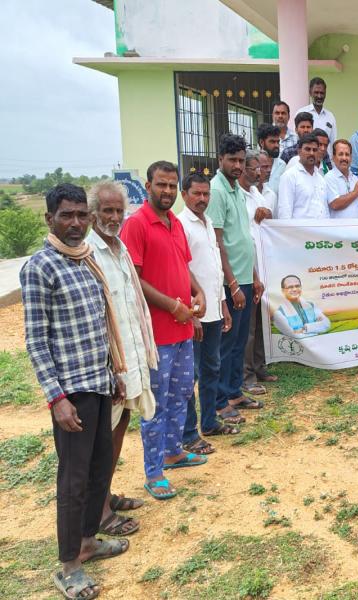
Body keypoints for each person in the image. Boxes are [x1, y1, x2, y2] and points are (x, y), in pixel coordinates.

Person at [22, 183, 130, 600]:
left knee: (100, 468)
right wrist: (57, 398)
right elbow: (37, 341)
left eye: (82, 215)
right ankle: (69, 566)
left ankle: (88, 541)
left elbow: (99, 323)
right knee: (74, 480)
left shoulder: (85, 259)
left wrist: (113, 371)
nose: (76, 223)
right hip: (72, 394)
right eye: (66, 215)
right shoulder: (40, 267)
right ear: (49, 218)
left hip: (99, 383)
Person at [120, 161, 209, 500]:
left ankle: (173, 452)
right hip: (156, 336)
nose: (168, 191)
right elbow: (134, 278)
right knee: (155, 405)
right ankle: (154, 471)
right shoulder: (137, 224)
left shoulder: (175, 223)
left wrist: (198, 292)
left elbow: (183, 266)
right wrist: (173, 306)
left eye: (172, 185)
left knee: (182, 392)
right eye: (162, 184)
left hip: (183, 330)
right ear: (148, 186)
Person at [86, 180, 157, 536]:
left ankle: (106, 495)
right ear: (93, 214)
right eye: (107, 211)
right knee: (103, 436)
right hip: (107, 364)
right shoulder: (89, 252)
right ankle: (98, 511)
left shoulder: (120, 248)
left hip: (129, 355)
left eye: (119, 210)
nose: (114, 217)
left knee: (122, 422)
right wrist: (108, 365)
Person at [205, 135, 266, 427]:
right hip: (230, 282)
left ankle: (234, 392)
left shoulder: (237, 190)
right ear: (220, 160)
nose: (238, 165)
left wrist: (253, 277)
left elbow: (243, 237)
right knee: (226, 345)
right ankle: (221, 401)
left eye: (241, 160)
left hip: (245, 277)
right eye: (232, 160)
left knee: (239, 342)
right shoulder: (217, 191)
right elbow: (217, 242)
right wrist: (231, 284)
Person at [176, 173, 237, 455]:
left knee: (212, 367)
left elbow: (214, 269)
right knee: (190, 376)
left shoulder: (208, 222)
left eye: (206, 194)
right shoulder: (180, 225)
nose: (202, 199)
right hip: (195, 313)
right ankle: (189, 433)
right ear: (184, 194)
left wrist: (222, 303)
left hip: (214, 309)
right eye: (196, 194)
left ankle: (210, 422)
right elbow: (181, 271)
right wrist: (192, 313)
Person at [238, 150, 277, 396]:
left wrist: (267, 213)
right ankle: (246, 375)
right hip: (247, 267)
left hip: (263, 265)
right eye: (255, 168)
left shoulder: (255, 192)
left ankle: (260, 366)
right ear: (244, 170)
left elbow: (267, 219)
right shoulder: (237, 195)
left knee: (262, 320)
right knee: (249, 326)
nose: (260, 172)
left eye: (261, 168)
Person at [277, 133, 328, 219]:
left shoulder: (321, 179)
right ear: (299, 151)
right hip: (298, 228)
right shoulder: (289, 176)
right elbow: (284, 213)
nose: (311, 153)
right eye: (308, 149)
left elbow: (325, 210)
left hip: (321, 227)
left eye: (315, 150)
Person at [297, 77, 337, 156]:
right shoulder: (301, 113)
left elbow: (333, 142)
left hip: (325, 160)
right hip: (307, 159)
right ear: (310, 93)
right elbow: (297, 140)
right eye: (316, 92)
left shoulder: (330, 116)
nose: (319, 96)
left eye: (322, 93)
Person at [325, 139, 358, 219]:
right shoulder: (329, 177)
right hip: (338, 227)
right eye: (340, 154)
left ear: (351, 158)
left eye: (347, 154)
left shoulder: (355, 178)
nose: (344, 158)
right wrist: (355, 192)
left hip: (356, 226)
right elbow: (335, 204)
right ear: (333, 157)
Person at [257, 123, 286, 206]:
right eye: (272, 142)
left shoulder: (282, 165)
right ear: (262, 142)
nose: (276, 145)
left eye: (278, 142)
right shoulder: (252, 163)